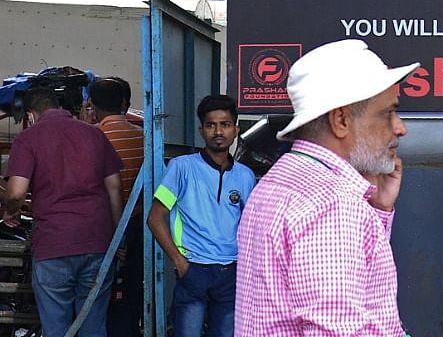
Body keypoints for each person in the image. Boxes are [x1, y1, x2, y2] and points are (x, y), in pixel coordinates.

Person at [235, 39, 416, 337]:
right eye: (387, 113)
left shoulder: (281, 178)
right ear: (341, 119)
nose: (400, 128)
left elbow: (356, 286)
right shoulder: (333, 204)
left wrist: (379, 210)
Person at [3, 86, 123, 337]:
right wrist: (115, 236)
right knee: (93, 326)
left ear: (31, 115)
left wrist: (10, 212)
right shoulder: (95, 135)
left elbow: (15, 192)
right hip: (97, 241)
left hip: (53, 244)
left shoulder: (29, 137)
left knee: (56, 328)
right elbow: (114, 187)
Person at [148, 95, 256, 337]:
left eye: (225, 124)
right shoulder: (181, 167)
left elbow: (250, 226)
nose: (218, 131)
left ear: (236, 129)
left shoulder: (245, 175)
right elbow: (155, 217)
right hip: (193, 270)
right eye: (211, 125)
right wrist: (179, 262)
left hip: (231, 273)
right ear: (201, 130)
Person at [88, 77, 145, 337]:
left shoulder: (91, 137)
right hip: (138, 223)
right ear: (124, 103)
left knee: (101, 292)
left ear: (91, 104)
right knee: (131, 290)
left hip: (103, 227)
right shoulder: (142, 137)